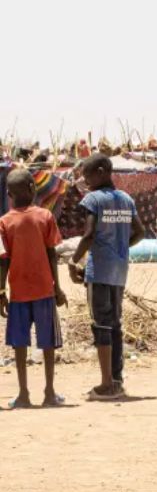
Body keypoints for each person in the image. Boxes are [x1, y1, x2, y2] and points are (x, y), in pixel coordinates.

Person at [68, 154, 144, 400]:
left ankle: (105, 385)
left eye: (87, 175)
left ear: (101, 171)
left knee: (101, 324)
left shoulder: (94, 199)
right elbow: (140, 232)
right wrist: (121, 247)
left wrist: (73, 261)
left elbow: (89, 235)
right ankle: (116, 380)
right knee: (115, 325)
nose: (85, 181)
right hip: (119, 272)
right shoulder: (126, 199)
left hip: (99, 271)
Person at [0, 169, 67, 408]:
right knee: (47, 342)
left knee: (19, 344)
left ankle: (23, 394)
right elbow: (52, 254)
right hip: (44, 291)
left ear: (8, 194)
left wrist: (1, 292)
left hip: (18, 292)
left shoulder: (4, 222)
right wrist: (58, 288)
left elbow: (3, 260)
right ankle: (49, 392)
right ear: (33, 188)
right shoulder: (45, 217)